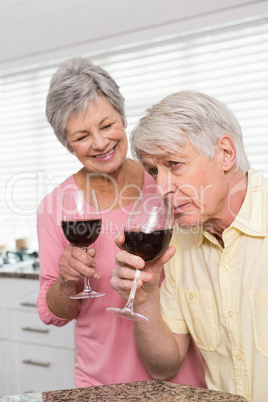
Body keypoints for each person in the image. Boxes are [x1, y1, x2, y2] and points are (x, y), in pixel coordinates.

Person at [37, 59, 206, 388]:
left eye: (107, 125)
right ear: (66, 144)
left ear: (123, 117)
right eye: (83, 135)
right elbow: (52, 312)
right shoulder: (55, 206)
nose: (100, 143)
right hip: (102, 385)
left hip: (181, 382)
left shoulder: (166, 183)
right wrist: (66, 281)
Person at [110, 90, 268, 402]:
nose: (162, 187)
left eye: (174, 163)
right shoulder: (179, 242)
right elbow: (163, 367)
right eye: (155, 171)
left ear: (225, 153)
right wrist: (145, 298)